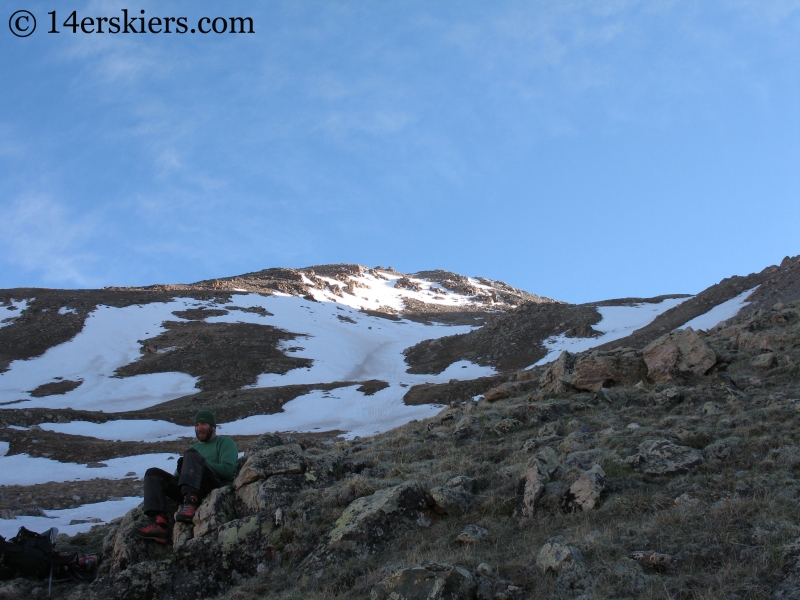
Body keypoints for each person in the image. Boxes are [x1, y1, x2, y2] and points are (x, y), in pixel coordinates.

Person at [135, 409, 238, 543]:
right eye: (196, 425)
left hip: (215, 486)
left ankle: (191, 503)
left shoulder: (224, 442)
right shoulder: (194, 447)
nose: (199, 428)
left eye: (203, 424)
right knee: (153, 474)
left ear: (213, 426)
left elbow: (227, 470)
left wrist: (200, 463)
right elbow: (178, 478)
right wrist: (182, 469)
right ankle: (160, 524)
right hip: (191, 487)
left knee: (191, 454)